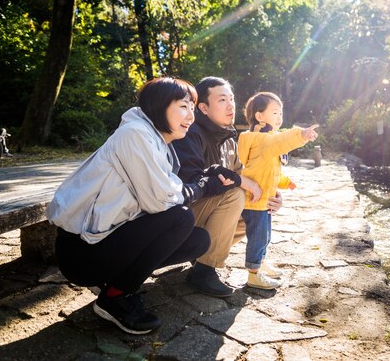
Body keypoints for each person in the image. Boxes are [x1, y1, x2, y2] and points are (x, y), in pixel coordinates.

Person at [46, 77, 241, 335]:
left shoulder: (157, 141)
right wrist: (204, 185)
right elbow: (161, 200)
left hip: (107, 238)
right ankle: (115, 296)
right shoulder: (134, 135)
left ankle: (117, 280)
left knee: (198, 240)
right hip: (81, 251)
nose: (190, 116)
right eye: (183, 106)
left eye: (192, 109)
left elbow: (170, 187)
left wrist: (205, 178)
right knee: (179, 218)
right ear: (159, 107)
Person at [173, 76, 284, 297]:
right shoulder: (190, 134)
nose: (231, 105)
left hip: (203, 216)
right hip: (180, 217)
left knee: (255, 209)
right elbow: (193, 183)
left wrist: (272, 194)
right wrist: (241, 182)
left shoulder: (228, 140)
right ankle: (204, 271)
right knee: (234, 194)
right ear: (203, 108)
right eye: (222, 100)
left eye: (231, 99)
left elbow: (246, 176)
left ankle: (203, 255)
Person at [238, 92, 318, 289]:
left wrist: (285, 181)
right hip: (255, 200)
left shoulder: (268, 140)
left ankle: (261, 263)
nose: (279, 117)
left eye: (281, 112)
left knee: (265, 236)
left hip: (263, 199)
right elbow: (281, 141)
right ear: (259, 116)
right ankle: (254, 274)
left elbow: (269, 171)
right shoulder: (261, 140)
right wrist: (301, 134)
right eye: (275, 112)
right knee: (258, 237)